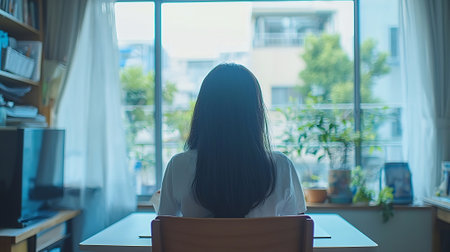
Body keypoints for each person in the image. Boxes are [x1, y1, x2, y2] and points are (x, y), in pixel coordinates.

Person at [158, 63, 306, 218]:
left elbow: (165, 227)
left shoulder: (178, 166)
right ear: (256, 113)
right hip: (259, 243)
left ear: (203, 112)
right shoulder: (282, 166)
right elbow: (296, 228)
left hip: (205, 243)